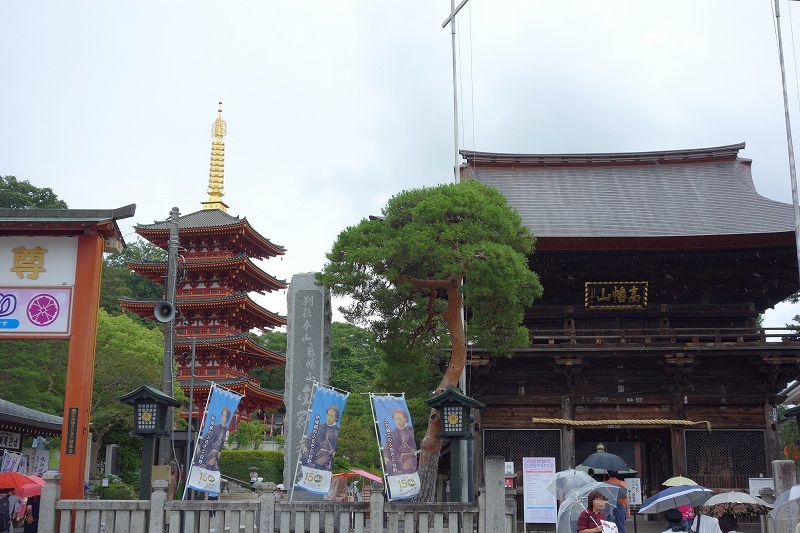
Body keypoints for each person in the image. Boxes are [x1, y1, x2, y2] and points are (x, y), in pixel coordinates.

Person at [300, 405, 340, 471]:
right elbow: (309, 439)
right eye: (328, 415)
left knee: (320, 463)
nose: (329, 417)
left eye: (331, 416)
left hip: (327, 454)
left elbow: (338, 446)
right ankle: (302, 477)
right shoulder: (320, 426)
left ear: (336, 418)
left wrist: (334, 451)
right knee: (305, 456)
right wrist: (305, 446)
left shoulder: (337, 431)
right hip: (315, 451)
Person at [194, 406, 231, 471]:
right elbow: (204, 439)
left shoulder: (226, 431)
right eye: (223, 415)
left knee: (211, 470)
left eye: (225, 416)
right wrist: (205, 449)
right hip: (210, 452)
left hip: (216, 455)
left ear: (228, 418)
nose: (223, 418)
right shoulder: (215, 427)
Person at [384, 409, 418, 475]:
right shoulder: (392, 433)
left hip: (410, 456)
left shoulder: (411, 430)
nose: (398, 421)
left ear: (405, 419)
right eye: (396, 419)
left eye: (400, 419)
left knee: (407, 467)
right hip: (397, 458)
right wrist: (386, 457)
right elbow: (386, 448)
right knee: (389, 467)